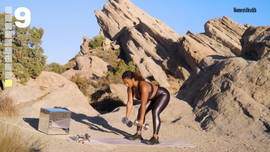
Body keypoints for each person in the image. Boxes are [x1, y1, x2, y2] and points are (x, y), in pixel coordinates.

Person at [122, 70, 170, 145]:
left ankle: (155, 138)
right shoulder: (130, 89)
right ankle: (138, 134)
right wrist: (126, 118)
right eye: (125, 83)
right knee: (140, 110)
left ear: (133, 79)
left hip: (162, 95)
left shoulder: (143, 86)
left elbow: (143, 104)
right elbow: (130, 102)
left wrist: (141, 120)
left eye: (127, 82)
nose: (126, 85)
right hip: (151, 98)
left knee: (155, 112)